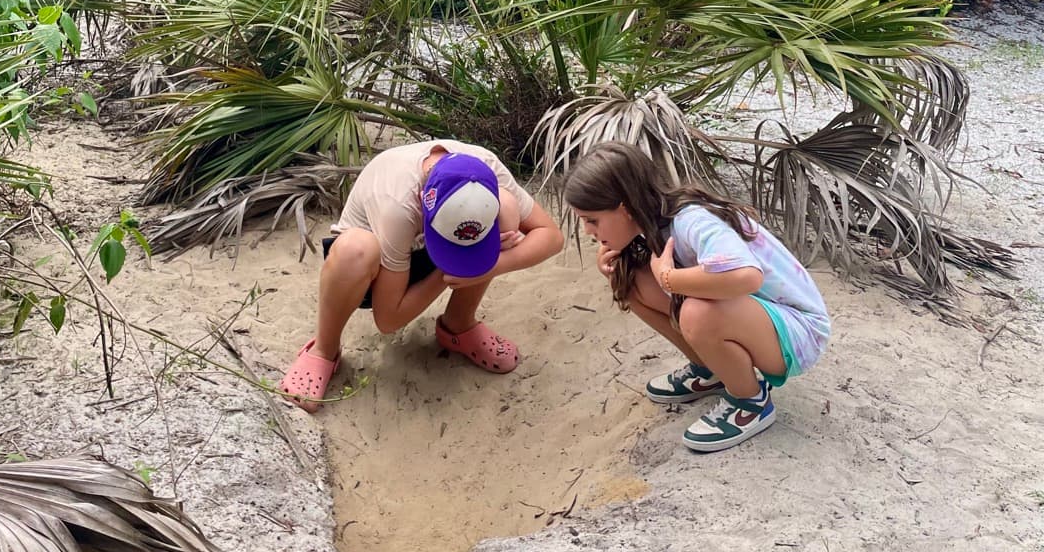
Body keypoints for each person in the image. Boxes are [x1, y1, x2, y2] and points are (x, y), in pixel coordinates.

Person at [564, 142, 830, 453]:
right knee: (630, 282)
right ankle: (712, 369)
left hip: (800, 332)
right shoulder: (654, 223)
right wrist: (616, 264)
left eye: (592, 220)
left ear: (624, 209)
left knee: (696, 312)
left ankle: (750, 401)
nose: (586, 230)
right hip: (762, 321)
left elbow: (746, 276)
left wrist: (669, 278)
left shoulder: (691, 220)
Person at [280, 140, 564, 410]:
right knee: (355, 250)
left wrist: (492, 262)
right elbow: (388, 319)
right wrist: (448, 270)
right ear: (423, 201)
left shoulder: (486, 168)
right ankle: (324, 349)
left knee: (499, 229)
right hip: (375, 268)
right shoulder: (398, 205)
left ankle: (458, 325)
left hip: (428, 245)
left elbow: (550, 236)